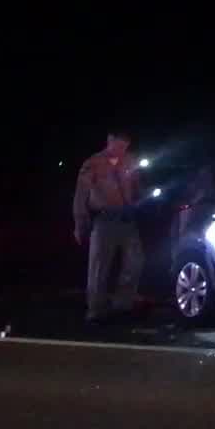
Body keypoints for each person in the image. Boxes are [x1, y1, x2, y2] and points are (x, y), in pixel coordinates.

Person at [72, 129, 145, 322]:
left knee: (135, 262)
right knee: (99, 267)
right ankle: (96, 309)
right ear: (109, 141)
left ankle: (123, 304)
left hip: (127, 219)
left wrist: (140, 199)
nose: (122, 149)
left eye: (125, 146)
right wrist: (80, 222)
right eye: (118, 144)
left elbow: (137, 186)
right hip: (105, 219)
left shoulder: (130, 160)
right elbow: (81, 195)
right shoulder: (93, 163)